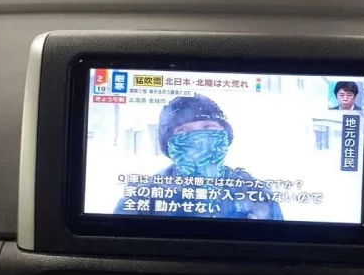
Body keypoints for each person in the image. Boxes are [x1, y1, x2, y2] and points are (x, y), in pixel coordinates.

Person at [114, 94, 283, 220]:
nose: (198, 138)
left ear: (226, 136)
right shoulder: (144, 197)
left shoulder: (255, 193)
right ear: (169, 144)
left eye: (209, 127)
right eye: (183, 130)